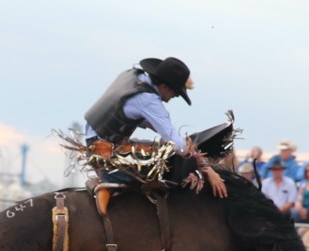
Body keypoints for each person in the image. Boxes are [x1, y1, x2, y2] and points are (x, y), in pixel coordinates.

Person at [83, 57, 226, 201]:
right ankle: (110, 182)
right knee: (166, 171)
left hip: (98, 143)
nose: (175, 96)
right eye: (176, 92)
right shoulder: (149, 100)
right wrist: (204, 166)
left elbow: (126, 113)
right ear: (165, 87)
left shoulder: (134, 76)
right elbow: (179, 146)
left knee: (159, 151)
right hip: (105, 152)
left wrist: (161, 127)